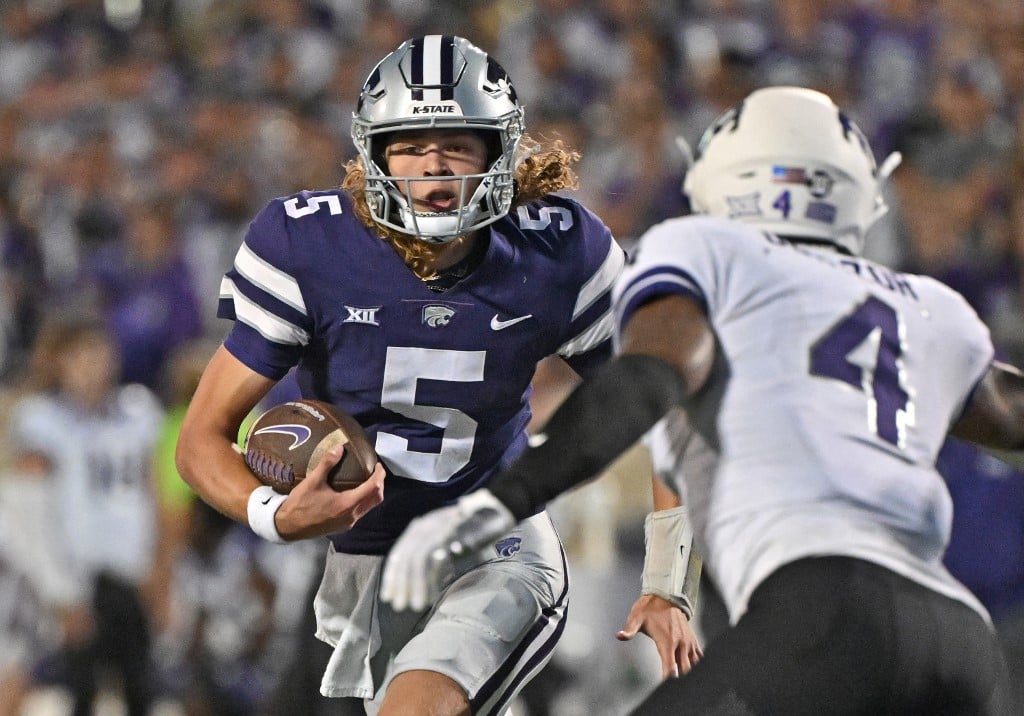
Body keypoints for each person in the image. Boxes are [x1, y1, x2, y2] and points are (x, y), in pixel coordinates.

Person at [380, 85, 1024, 714]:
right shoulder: (931, 308)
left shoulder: (713, 250)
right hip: (966, 646)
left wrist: (498, 502)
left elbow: (649, 380)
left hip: (825, 610)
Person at [175, 35, 694, 715]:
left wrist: (668, 575)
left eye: (458, 144)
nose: (436, 166)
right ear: (375, 153)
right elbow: (200, 440)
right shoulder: (308, 248)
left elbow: (663, 408)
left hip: (494, 550)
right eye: (414, 144)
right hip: (359, 569)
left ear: (499, 153)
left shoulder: (557, 251)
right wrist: (275, 514)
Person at [5, 314, 166, 716]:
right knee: (68, 692)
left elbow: (156, 492)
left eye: (98, 352)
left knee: (142, 690)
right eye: (79, 356)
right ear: (58, 364)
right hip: (71, 577)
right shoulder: (41, 419)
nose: (92, 365)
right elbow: (26, 516)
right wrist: (59, 592)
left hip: (130, 573)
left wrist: (162, 567)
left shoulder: (137, 410)